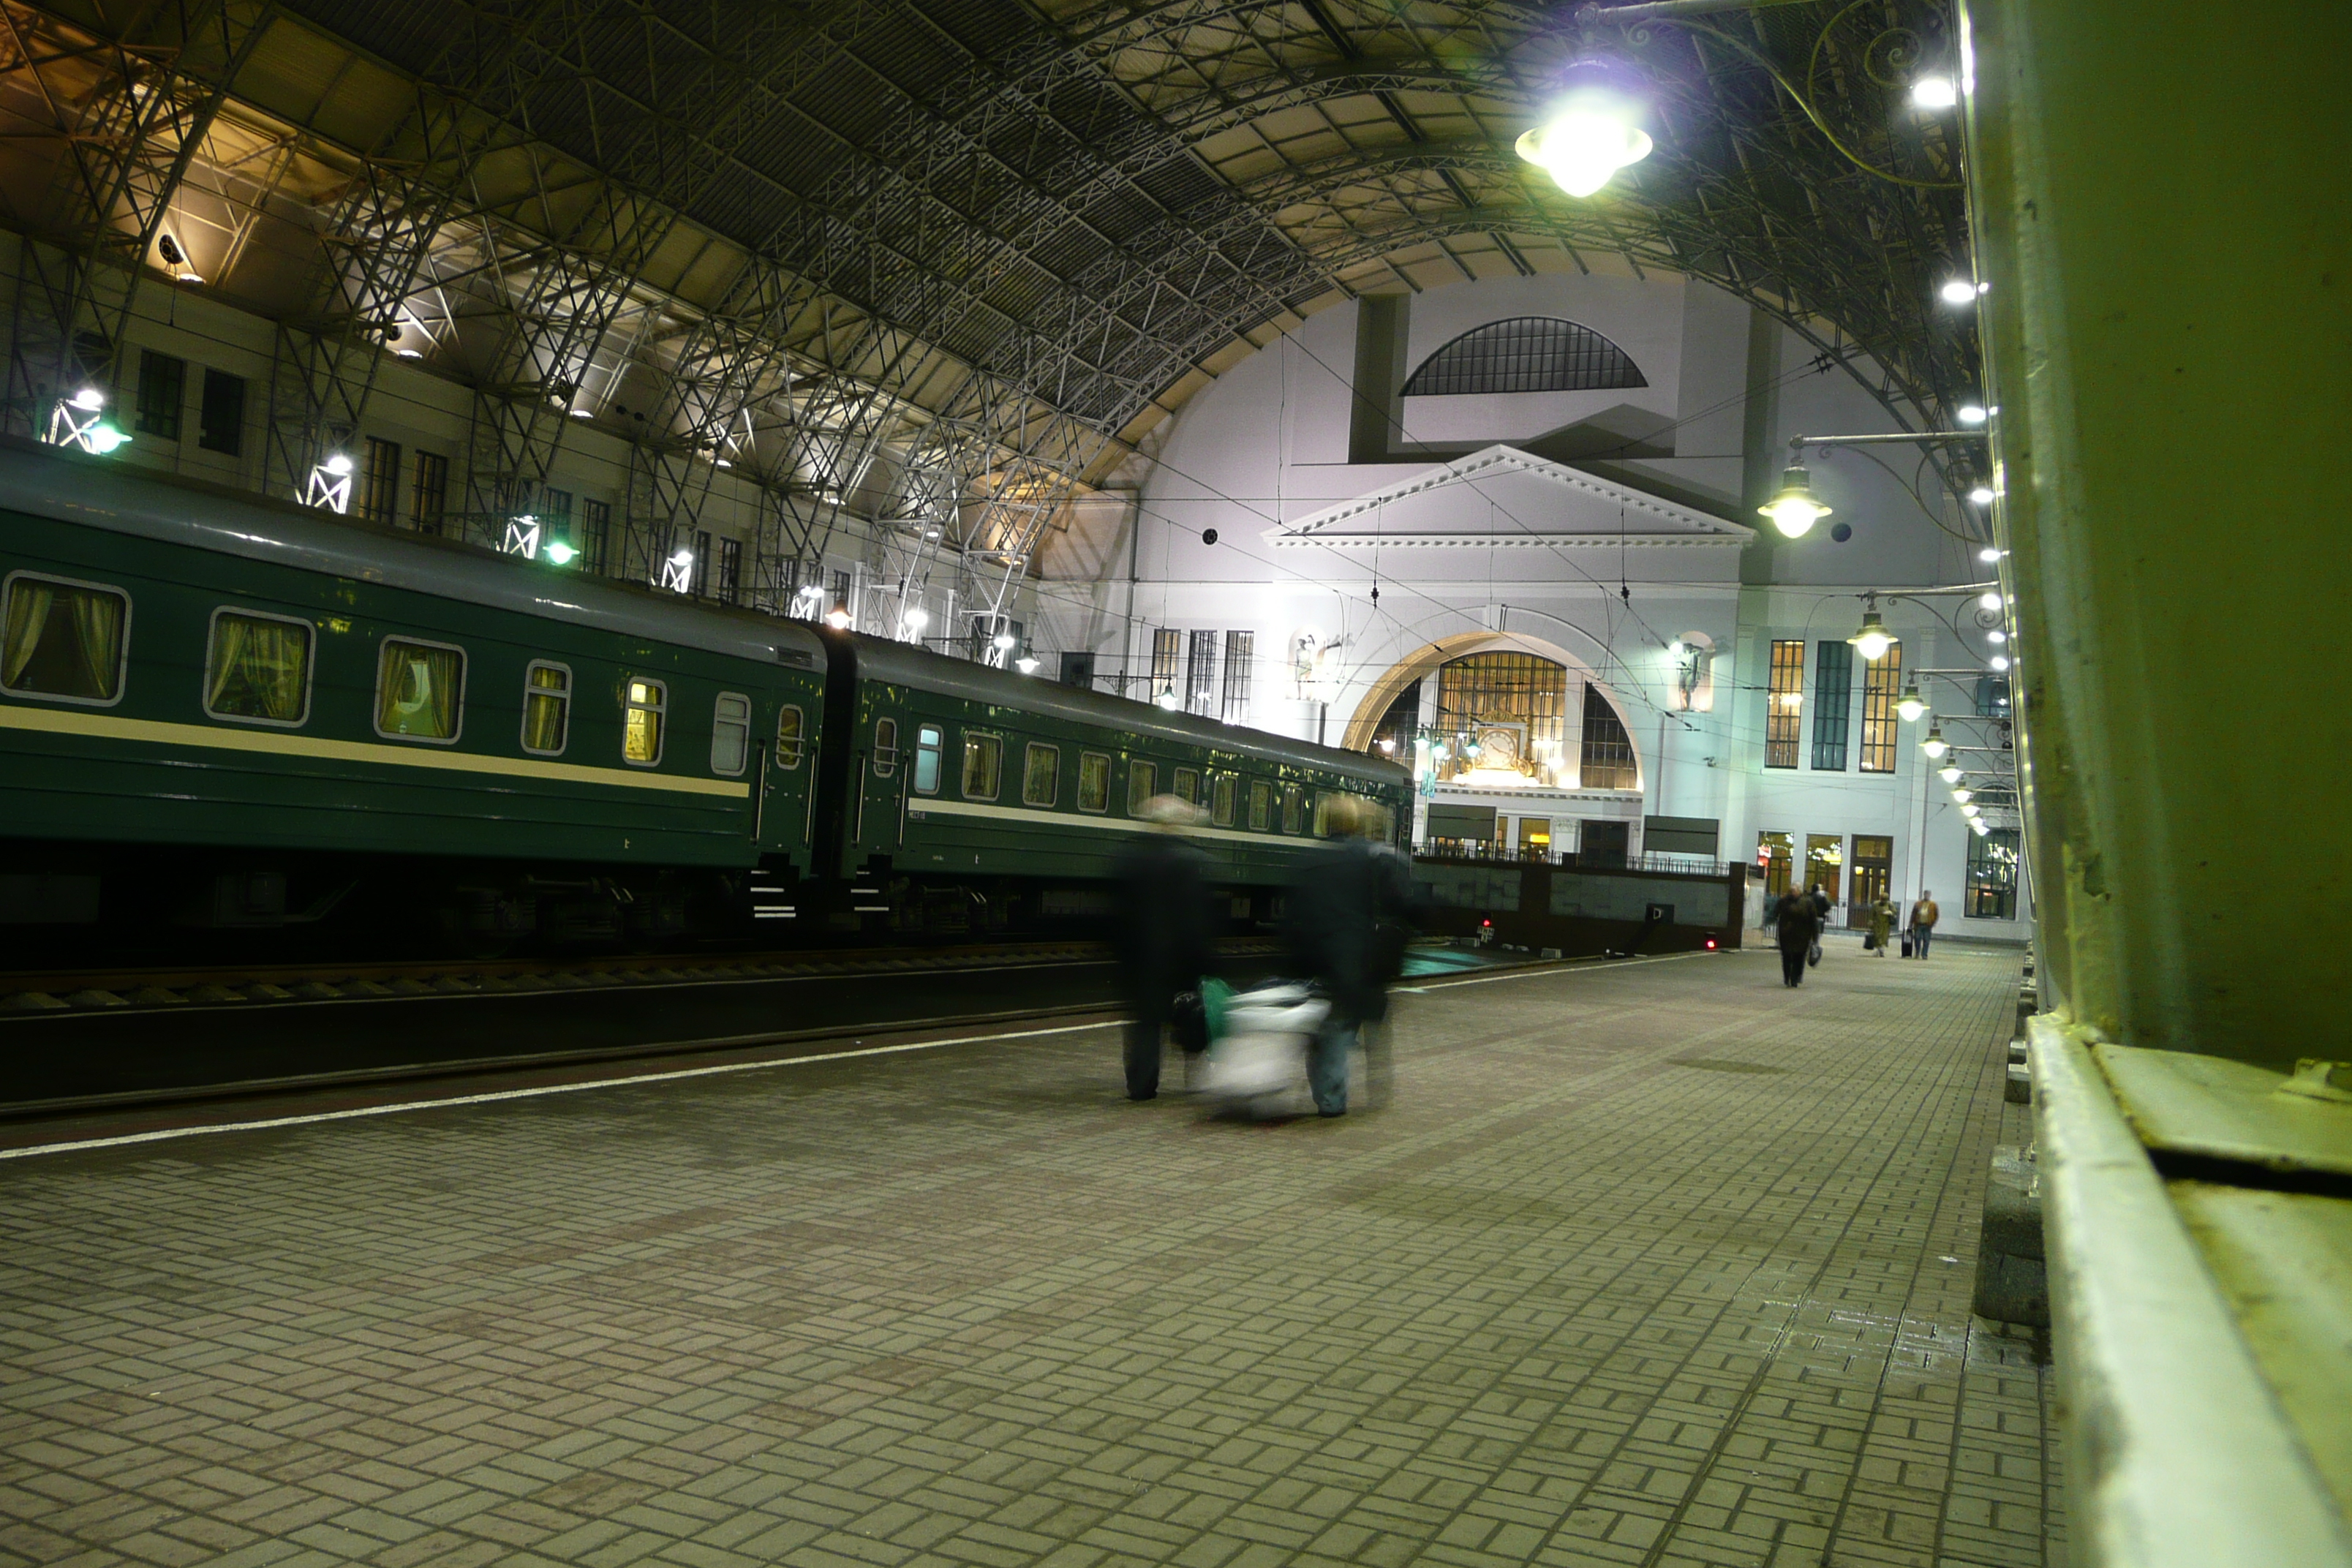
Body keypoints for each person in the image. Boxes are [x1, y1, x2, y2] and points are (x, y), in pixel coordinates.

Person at [1284, 795, 1418, 1117]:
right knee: (1359, 1024)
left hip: (1323, 958)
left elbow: (1295, 917)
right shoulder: (1375, 858)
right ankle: (1363, 1092)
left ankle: (1330, 1099)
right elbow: (1403, 907)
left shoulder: (1311, 860)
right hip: (1364, 958)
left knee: (1330, 1031)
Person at [1111, 795, 1215, 1100]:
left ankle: (1141, 1086)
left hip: (1138, 957)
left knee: (1144, 1022)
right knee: (1190, 1016)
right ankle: (1196, 1081)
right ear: (1175, 824)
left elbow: (1116, 913)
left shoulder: (1128, 857)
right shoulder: (1187, 861)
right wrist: (1203, 959)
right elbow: (1194, 919)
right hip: (1176, 958)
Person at [1773, 885, 1824, 987]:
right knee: (1786, 957)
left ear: (1800, 892)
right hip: (1787, 935)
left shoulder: (1808, 903)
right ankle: (1787, 977)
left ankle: (1795, 977)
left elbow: (1813, 921)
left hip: (1802, 936)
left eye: (1795, 891)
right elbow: (1775, 913)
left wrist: (1815, 937)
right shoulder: (1784, 901)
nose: (1793, 893)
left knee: (1799, 958)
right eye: (1792, 891)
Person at [1909, 889, 1941, 959]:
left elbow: (1937, 914)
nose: (1927, 896)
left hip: (1928, 925)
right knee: (1917, 939)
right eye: (1926, 894)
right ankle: (1917, 952)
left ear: (1930, 895)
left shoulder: (1933, 905)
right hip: (1918, 924)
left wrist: (1933, 923)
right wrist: (1911, 924)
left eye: (1928, 895)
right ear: (1924, 895)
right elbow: (1913, 914)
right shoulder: (1918, 904)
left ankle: (1924, 954)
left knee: (1926, 940)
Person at [1867, 893, 1896, 957]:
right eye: (1882, 900)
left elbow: (1894, 912)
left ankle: (1881, 950)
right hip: (1877, 924)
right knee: (1877, 937)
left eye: (1885, 900)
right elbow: (1872, 913)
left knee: (1884, 938)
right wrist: (1871, 921)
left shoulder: (1890, 904)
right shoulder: (1875, 904)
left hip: (1886, 925)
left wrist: (1890, 913)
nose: (1883, 901)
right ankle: (1878, 949)